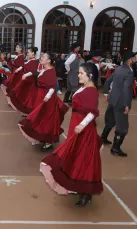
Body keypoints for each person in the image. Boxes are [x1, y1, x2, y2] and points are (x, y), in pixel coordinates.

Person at [40, 62, 103, 207]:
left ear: (90, 75)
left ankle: (85, 192)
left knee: (82, 159)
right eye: (79, 72)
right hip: (77, 126)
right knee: (75, 157)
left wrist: (82, 124)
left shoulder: (91, 91)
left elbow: (93, 112)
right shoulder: (83, 88)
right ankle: (78, 187)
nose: (78, 75)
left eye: (81, 73)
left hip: (84, 130)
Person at [18, 52, 69, 150]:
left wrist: (47, 96)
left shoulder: (51, 71)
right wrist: (27, 75)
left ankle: (48, 141)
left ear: (49, 60)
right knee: (39, 117)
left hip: (47, 98)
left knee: (46, 119)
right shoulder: (43, 69)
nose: (41, 58)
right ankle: (39, 137)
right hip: (40, 95)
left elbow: (52, 87)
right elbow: (35, 73)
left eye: (44, 57)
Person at [100, 51, 137, 157]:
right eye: (134, 57)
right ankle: (116, 147)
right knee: (122, 127)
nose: (136, 58)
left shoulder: (118, 69)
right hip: (121, 101)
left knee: (110, 120)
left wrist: (106, 93)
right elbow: (126, 89)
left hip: (113, 99)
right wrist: (127, 105)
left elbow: (107, 81)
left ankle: (103, 137)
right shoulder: (129, 72)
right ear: (130, 60)